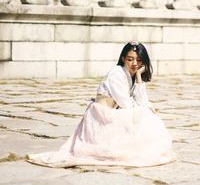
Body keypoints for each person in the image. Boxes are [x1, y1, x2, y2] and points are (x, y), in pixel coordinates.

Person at [27, 41, 176, 168]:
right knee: (144, 115)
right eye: (130, 59)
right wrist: (143, 108)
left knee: (148, 114)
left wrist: (138, 78)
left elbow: (142, 101)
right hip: (102, 117)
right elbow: (127, 105)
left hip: (113, 114)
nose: (134, 64)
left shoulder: (132, 75)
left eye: (138, 60)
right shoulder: (117, 74)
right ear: (123, 59)